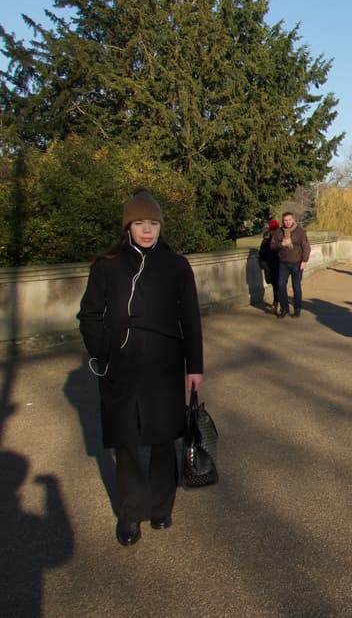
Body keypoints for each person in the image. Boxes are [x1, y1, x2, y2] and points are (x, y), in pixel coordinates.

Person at [77, 188, 204, 547]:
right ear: (128, 226)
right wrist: (104, 350)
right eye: (139, 223)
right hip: (122, 363)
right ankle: (131, 513)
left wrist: (195, 366)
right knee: (126, 442)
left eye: (153, 223)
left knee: (163, 438)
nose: (147, 230)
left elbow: (190, 318)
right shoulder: (107, 265)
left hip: (165, 362)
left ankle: (162, 506)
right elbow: (88, 315)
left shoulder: (176, 265)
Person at [270, 211, 310, 318]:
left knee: (296, 286)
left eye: (289, 220)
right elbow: (272, 246)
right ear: (282, 221)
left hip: (297, 263)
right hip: (283, 263)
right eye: (285, 220)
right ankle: (285, 308)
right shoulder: (278, 232)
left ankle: (297, 309)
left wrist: (304, 261)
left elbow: (306, 247)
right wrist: (281, 244)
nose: (287, 222)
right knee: (281, 285)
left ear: (293, 220)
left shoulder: (300, 232)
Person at [258, 219, 281, 314]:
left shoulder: (279, 239)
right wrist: (264, 266)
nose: (274, 231)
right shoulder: (266, 240)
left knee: (277, 285)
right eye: (273, 230)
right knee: (275, 285)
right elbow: (262, 255)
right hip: (271, 266)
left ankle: (276, 303)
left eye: (275, 229)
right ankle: (277, 302)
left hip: (278, 265)